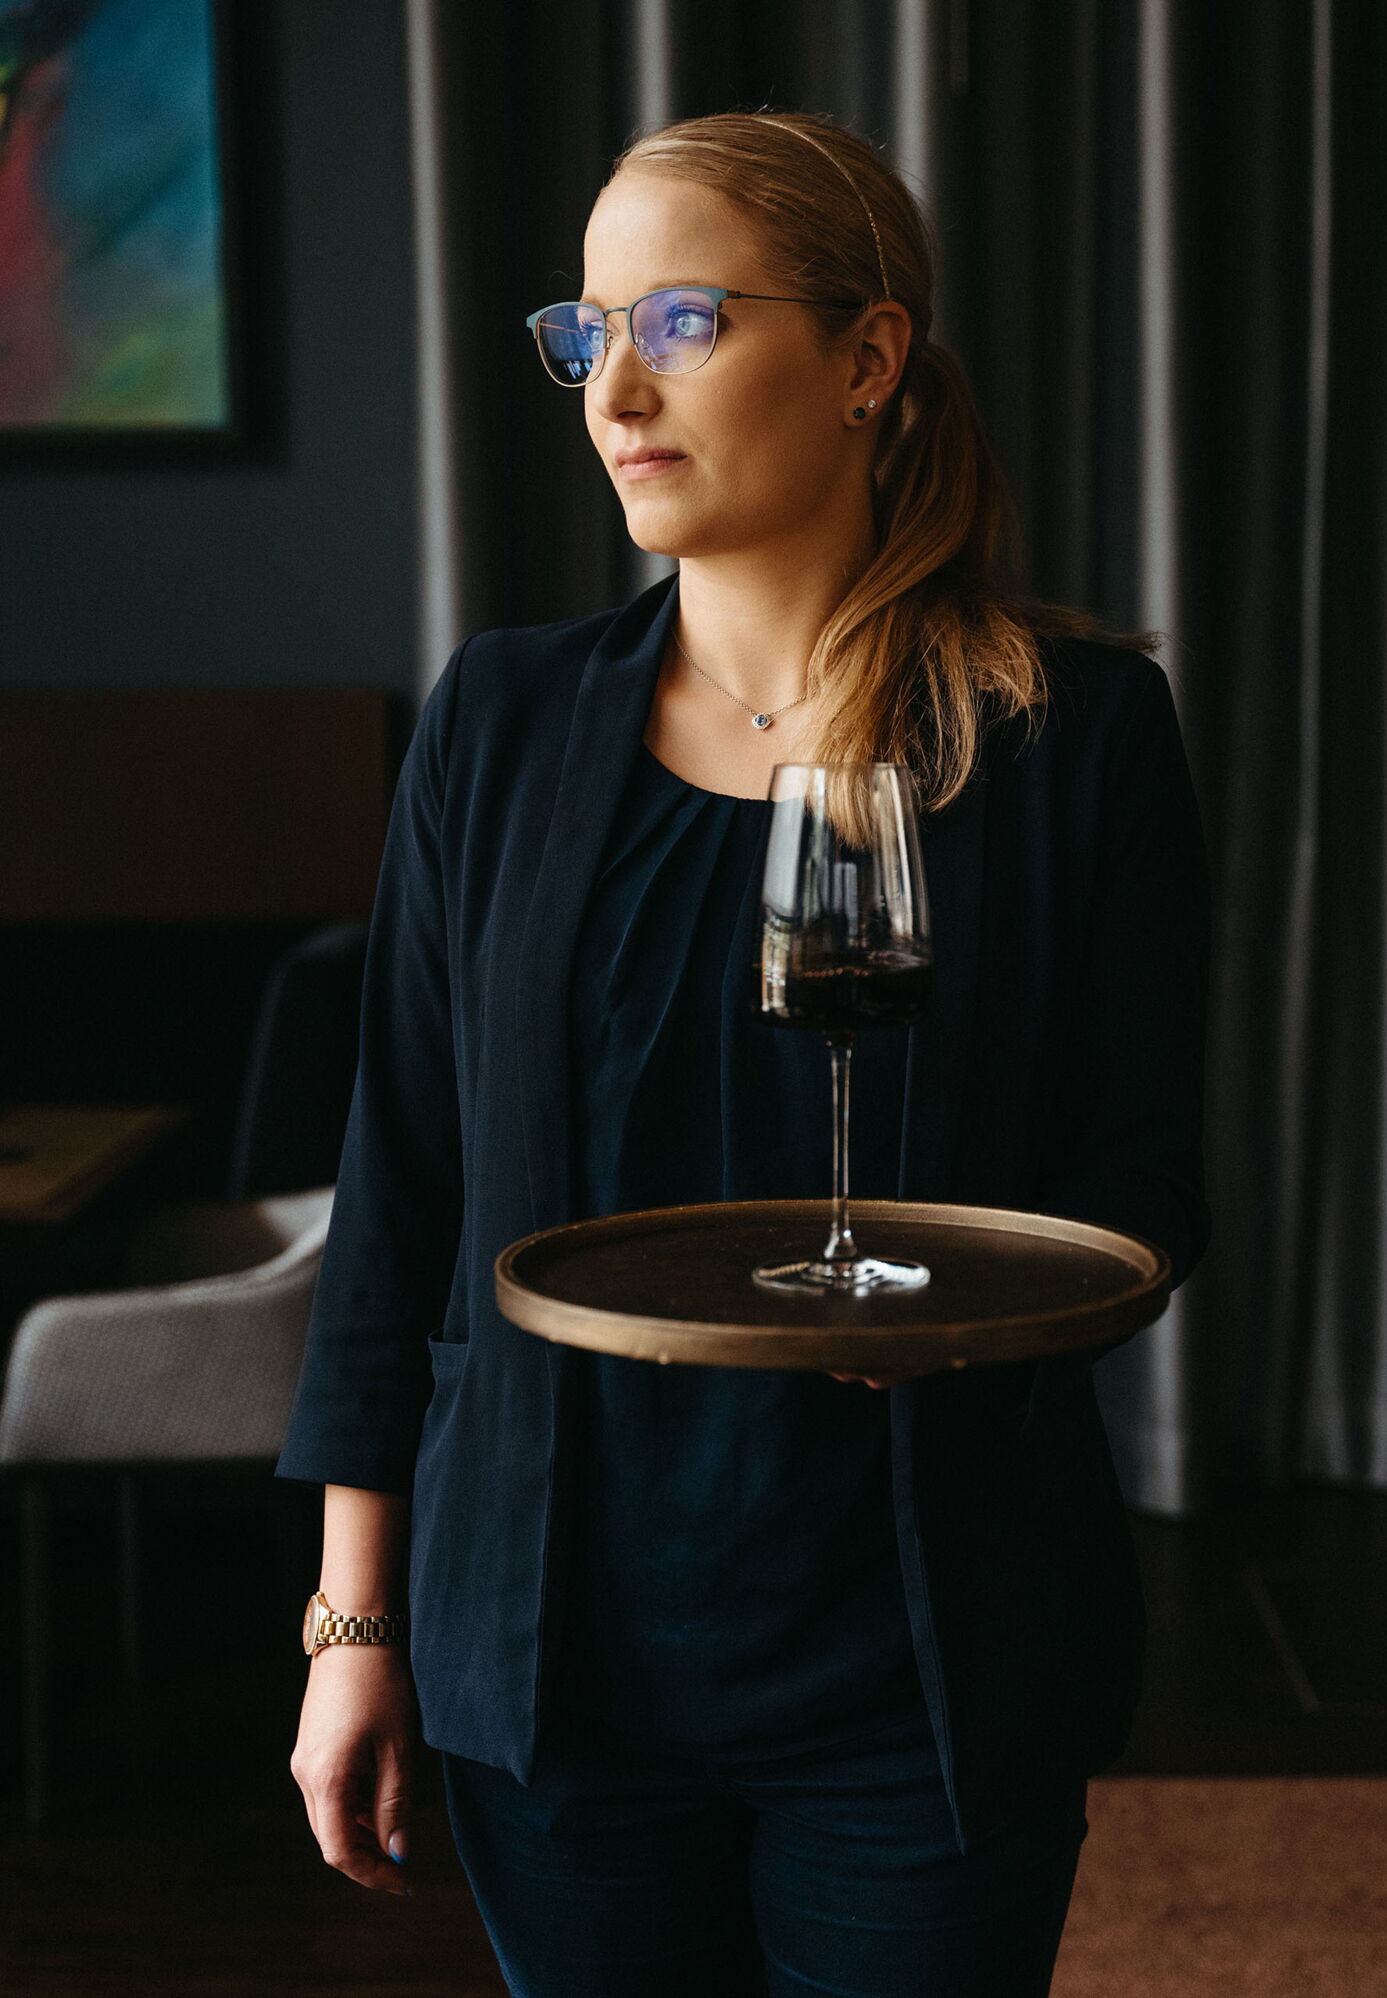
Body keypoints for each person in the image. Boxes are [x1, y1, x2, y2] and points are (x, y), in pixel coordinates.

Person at [278, 108, 1212, 1998]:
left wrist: (948, 1306)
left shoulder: (1075, 737)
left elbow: (1145, 1182)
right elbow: (404, 1195)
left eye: (683, 320)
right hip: (554, 1653)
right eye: (586, 329)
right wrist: (352, 1617)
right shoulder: (502, 724)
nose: (616, 385)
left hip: (921, 1644)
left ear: (868, 360)